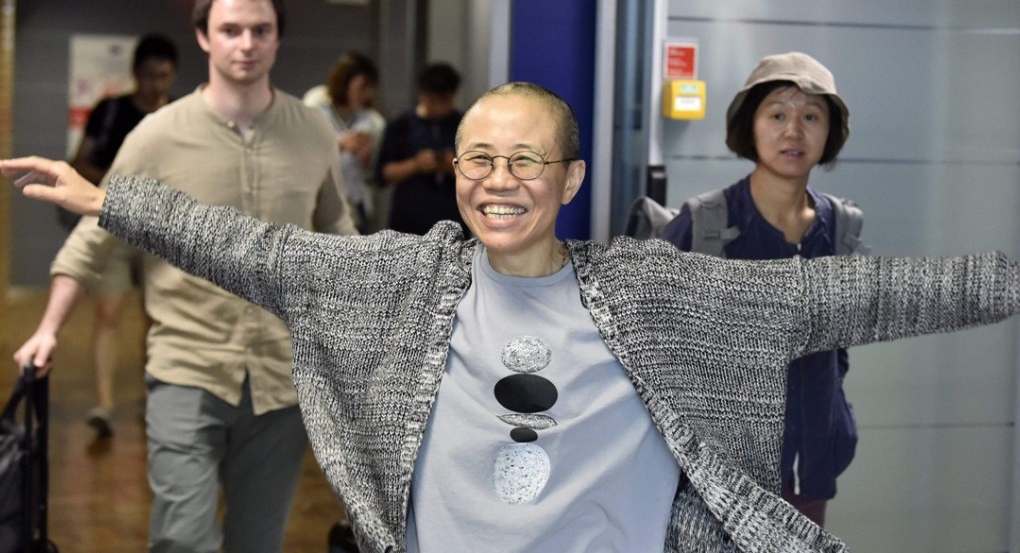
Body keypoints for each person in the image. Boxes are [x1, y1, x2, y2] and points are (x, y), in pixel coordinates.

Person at [5, 81, 1020, 553]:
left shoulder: (649, 289)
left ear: (571, 177)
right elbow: (259, 250)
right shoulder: (402, 281)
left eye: (526, 159)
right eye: (479, 159)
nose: (499, 180)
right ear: (454, 175)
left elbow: (848, 292)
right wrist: (109, 199)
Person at [9, 0, 357, 553]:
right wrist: (47, 330)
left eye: (260, 30)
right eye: (230, 30)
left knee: (257, 542)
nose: (246, 43)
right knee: (181, 540)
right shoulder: (156, 136)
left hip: (283, 380)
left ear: (277, 39)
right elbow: (94, 236)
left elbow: (338, 232)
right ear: (204, 37)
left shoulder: (314, 130)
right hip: (186, 367)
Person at [662, 51, 860, 526]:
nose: (793, 131)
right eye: (777, 114)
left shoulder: (841, 227)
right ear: (750, 127)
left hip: (807, 477)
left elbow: (839, 353)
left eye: (811, 116)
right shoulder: (704, 224)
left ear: (829, 132)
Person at [67, 32, 179, 438]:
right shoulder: (110, 112)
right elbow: (80, 163)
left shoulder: (179, 119)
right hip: (114, 225)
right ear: (135, 74)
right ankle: (104, 404)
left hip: (161, 231)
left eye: (164, 77)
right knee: (108, 313)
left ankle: (155, 396)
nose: (156, 85)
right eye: (150, 76)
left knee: (158, 318)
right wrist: (121, 185)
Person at [376, 62, 464, 234]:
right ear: (423, 95)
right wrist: (415, 165)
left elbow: (479, 172)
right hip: (407, 223)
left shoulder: (465, 125)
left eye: (443, 101)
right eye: (432, 100)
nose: (437, 107)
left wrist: (452, 167)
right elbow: (382, 174)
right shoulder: (401, 125)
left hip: (452, 222)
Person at [303, 52, 386, 233]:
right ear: (345, 83)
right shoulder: (316, 108)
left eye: (371, 88)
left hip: (355, 203)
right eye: (362, 87)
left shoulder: (373, 122)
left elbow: (376, 174)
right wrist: (339, 144)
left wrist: (366, 158)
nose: (366, 94)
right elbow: (302, 153)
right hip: (319, 200)